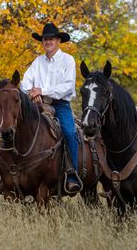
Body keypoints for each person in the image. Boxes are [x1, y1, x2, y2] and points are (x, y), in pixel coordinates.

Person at [20, 23, 82, 194]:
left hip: (60, 104)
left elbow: (67, 87)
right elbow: (25, 81)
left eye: (51, 39)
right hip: (38, 104)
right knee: (19, 127)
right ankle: (16, 172)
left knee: (69, 132)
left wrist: (43, 90)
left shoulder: (68, 60)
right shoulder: (38, 61)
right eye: (45, 39)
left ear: (58, 41)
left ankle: (71, 173)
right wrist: (31, 92)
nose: (47, 42)